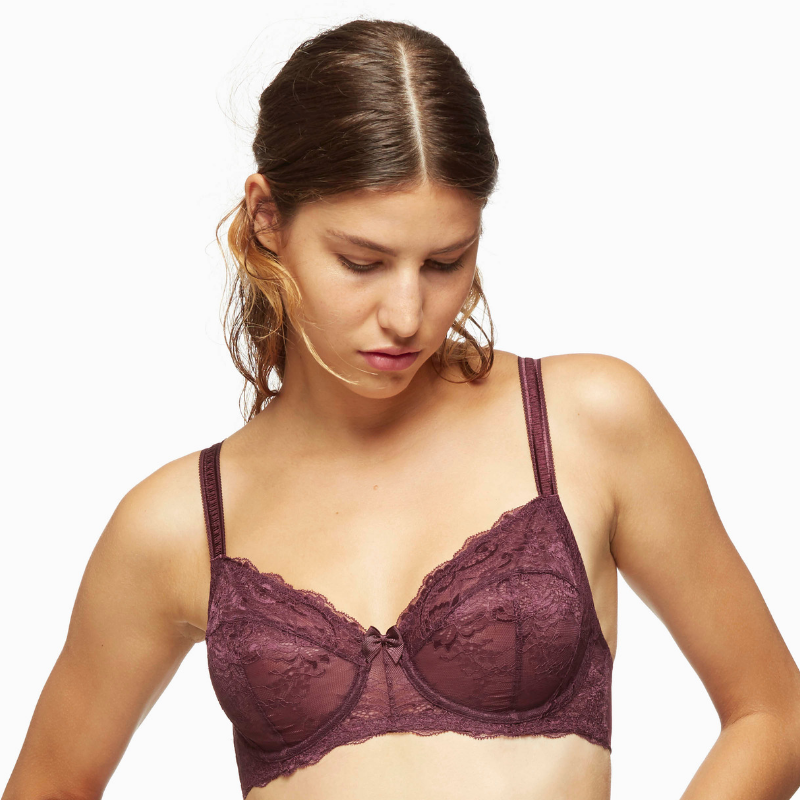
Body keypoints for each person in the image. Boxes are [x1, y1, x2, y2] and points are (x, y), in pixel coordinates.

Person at [4, 17, 800, 800]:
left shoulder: (582, 424)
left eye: (445, 262)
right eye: (362, 262)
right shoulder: (175, 523)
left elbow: (775, 715)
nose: (408, 314)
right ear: (267, 219)